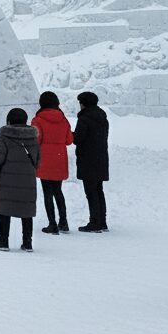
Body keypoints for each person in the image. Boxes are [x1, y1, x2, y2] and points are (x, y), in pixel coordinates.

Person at [0, 107, 40, 252]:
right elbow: (37, 160)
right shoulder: (33, 138)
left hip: (7, 179)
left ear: (9, 120)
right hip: (28, 180)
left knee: (5, 209)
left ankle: (3, 241)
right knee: (27, 211)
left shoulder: (5, 138)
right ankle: (27, 243)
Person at [31, 91, 72, 234]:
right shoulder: (63, 119)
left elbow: (37, 140)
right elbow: (69, 140)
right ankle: (64, 222)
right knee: (58, 191)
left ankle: (52, 224)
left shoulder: (38, 120)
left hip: (45, 160)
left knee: (47, 193)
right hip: (60, 159)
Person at [73, 90, 109, 232]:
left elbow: (78, 139)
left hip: (88, 159)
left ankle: (94, 222)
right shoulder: (102, 117)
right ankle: (102, 222)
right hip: (100, 158)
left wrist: (69, 135)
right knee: (98, 191)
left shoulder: (85, 118)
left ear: (83, 104)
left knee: (91, 192)